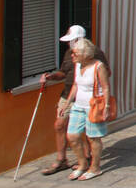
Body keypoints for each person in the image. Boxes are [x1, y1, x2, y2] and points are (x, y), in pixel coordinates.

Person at [38, 25, 107, 176]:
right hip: (68, 94)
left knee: (87, 132)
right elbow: (63, 73)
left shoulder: (96, 54)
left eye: (71, 40)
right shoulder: (70, 54)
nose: (69, 44)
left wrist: (102, 99)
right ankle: (62, 160)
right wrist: (50, 77)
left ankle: (88, 159)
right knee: (60, 125)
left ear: (78, 39)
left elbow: (106, 74)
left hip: (89, 99)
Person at [65, 37, 110, 181]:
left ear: (85, 54)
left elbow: (105, 87)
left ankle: (95, 168)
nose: (72, 55)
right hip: (78, 106)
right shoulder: (78, 66)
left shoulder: (98, 66)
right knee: (72, 136)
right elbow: (75, 85)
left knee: (93, 138)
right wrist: (67, 104)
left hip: (93, 107)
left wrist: (106, 106)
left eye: (75, 53)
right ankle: (82, 164)